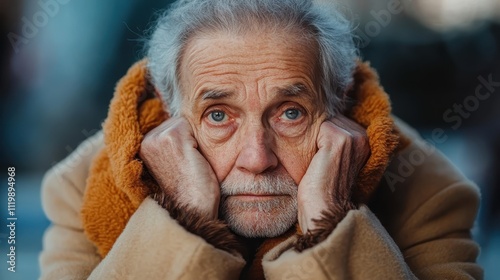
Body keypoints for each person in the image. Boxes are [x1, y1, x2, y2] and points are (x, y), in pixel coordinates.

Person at [39, 0, 482, 279]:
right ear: (170, 112)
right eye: (218, 115)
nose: (256, 158)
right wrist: (185, 220)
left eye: (290, 113)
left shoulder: (428, 189)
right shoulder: (80, 186)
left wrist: (328, 225)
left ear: (339, 103)